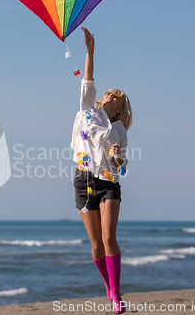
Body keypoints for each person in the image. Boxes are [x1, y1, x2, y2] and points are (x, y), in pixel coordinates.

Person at [71, 27, 133, 314]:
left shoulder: (119, 129)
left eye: (117, 95)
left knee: (109, 238)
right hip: (83, 180)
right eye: (109, 92)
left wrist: (118, 158)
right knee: (96, 245)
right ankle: (108, 286)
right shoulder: (87, 110)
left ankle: (116, 294)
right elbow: (88, 81)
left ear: (120, 109)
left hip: (109, 183)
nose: (111, 94)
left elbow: (122, 167)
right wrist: (90, 50)